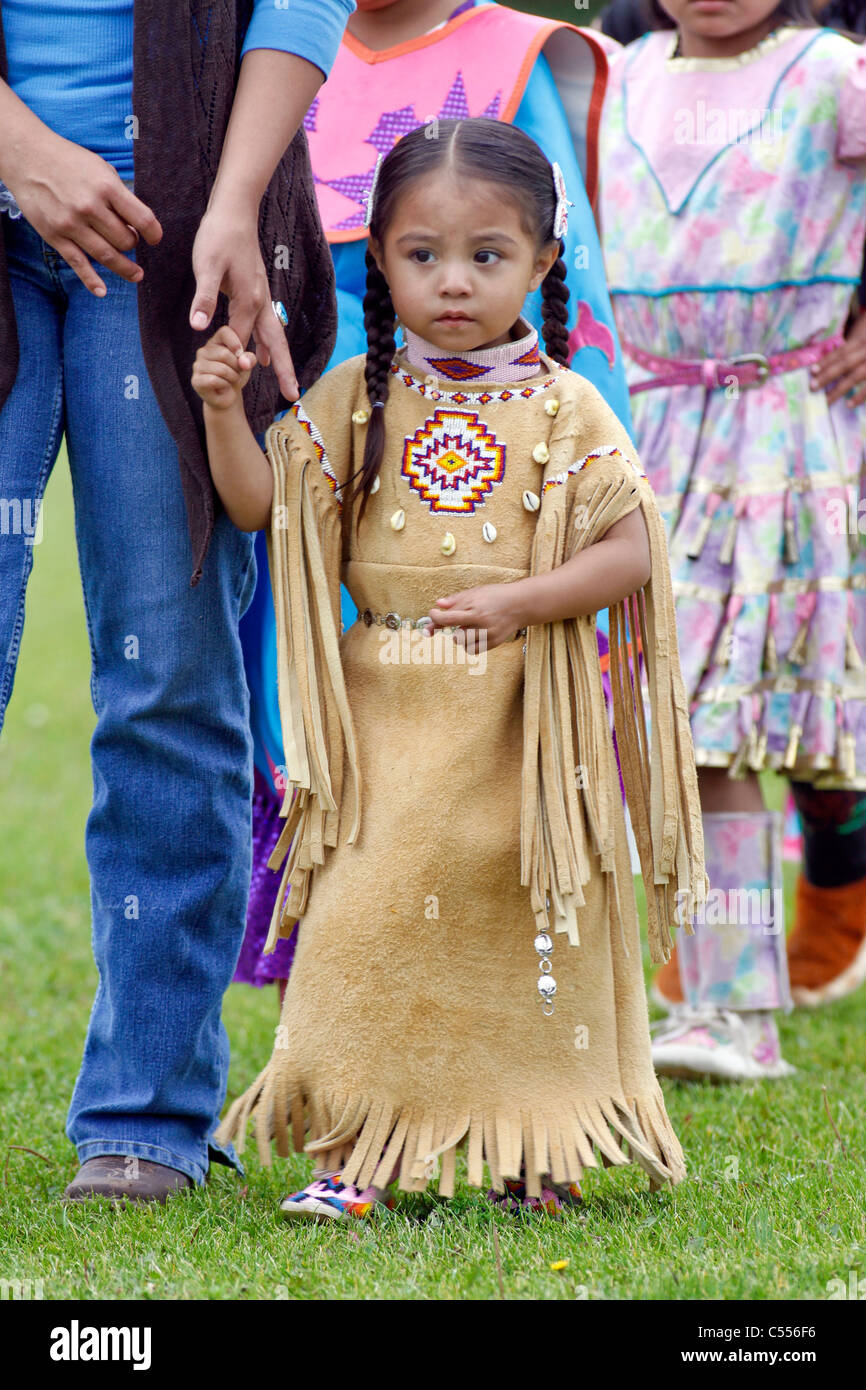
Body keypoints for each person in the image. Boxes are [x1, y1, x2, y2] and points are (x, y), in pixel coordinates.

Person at [195, 116, 706, 1221]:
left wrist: (522, 599)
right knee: (360, 925)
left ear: (541, 260)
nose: (454, 283)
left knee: (526, 929)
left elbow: (630, 548)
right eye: (421, 255)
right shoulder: (352, 397)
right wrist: (218, 409)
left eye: (487, 255)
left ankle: (534, 1144)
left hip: (525, 728)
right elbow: (260, 508)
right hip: (383, 716)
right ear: (377, 257)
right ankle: (358, 1150)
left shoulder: (567, 408)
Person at [0, 0, 354, 1204]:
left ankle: (146, 1117)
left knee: (171, 670)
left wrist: (234, 199)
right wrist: (21, 149)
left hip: (179, 237)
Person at [235, 0, 637, 1003]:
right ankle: (336, 1045)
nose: (451, 277)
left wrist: (568, 496)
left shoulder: (508, 55)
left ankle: (513, 1048)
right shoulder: (267, 44)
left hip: (489, 471)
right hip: (323, 440)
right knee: (319, 744)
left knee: (483, 772)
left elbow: (564, 272)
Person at [599, 0, 866, 1079]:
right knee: (651, 719)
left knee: (712, 724)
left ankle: (730, 1007)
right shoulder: (611, 74)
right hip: (638, 427)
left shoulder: (830, 72)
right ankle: (667, 994)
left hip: (779, 435)